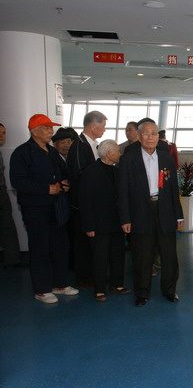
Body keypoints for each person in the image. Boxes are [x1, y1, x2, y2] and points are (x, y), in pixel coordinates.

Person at [10, 114, 79, 303]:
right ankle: (41, 289)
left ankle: (60, 284)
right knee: (40, 248)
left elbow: (62, 173)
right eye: (47, 128)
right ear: (35, 131)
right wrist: (46, 189)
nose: (51, 131)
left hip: (57, 208)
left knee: (60, 246)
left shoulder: (51, 152)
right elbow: (18, 181)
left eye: (51, 128)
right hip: (35, 208)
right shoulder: (22, 152)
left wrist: (64, 184)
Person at [118, 121, 183, 307]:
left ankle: (169, 290)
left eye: (153, 133)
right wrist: (125, 218)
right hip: (140, 212)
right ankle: (142, 292)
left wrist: (178, 214)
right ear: (139, 137)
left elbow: (173, 187)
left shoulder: (166, 158)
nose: (150, 137)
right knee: (142, 255)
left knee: (169, 255)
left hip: (165, 210)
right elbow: (122, 191)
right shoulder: (128, 159)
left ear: (158, 137)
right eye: (146, 134)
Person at [80, 140, 130, 302]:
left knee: (118, 254)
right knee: (100, 257)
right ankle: (100, 289)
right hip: (99, 223)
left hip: (116, 221)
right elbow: (86, 201)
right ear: (109, 153)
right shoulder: (91, 172)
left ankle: (117, 284)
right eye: (117, 151)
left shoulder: (117, 171)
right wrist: (89, 225)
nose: (120, 154)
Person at [66, 110, 107, 289]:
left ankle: (93, 274)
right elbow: (80, 175)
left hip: (94, 203)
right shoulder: (79, 146)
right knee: (82, 242)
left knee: (92, 242)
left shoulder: (94, 145)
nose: (104, 129)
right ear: (93, 126)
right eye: (102, 126)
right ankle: (83, 277)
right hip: (82, 204)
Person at [0, 123, 22, 267]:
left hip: (2, 193)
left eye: (3, 132)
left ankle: (12, 260)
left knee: (7, 227)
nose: (1, 136)